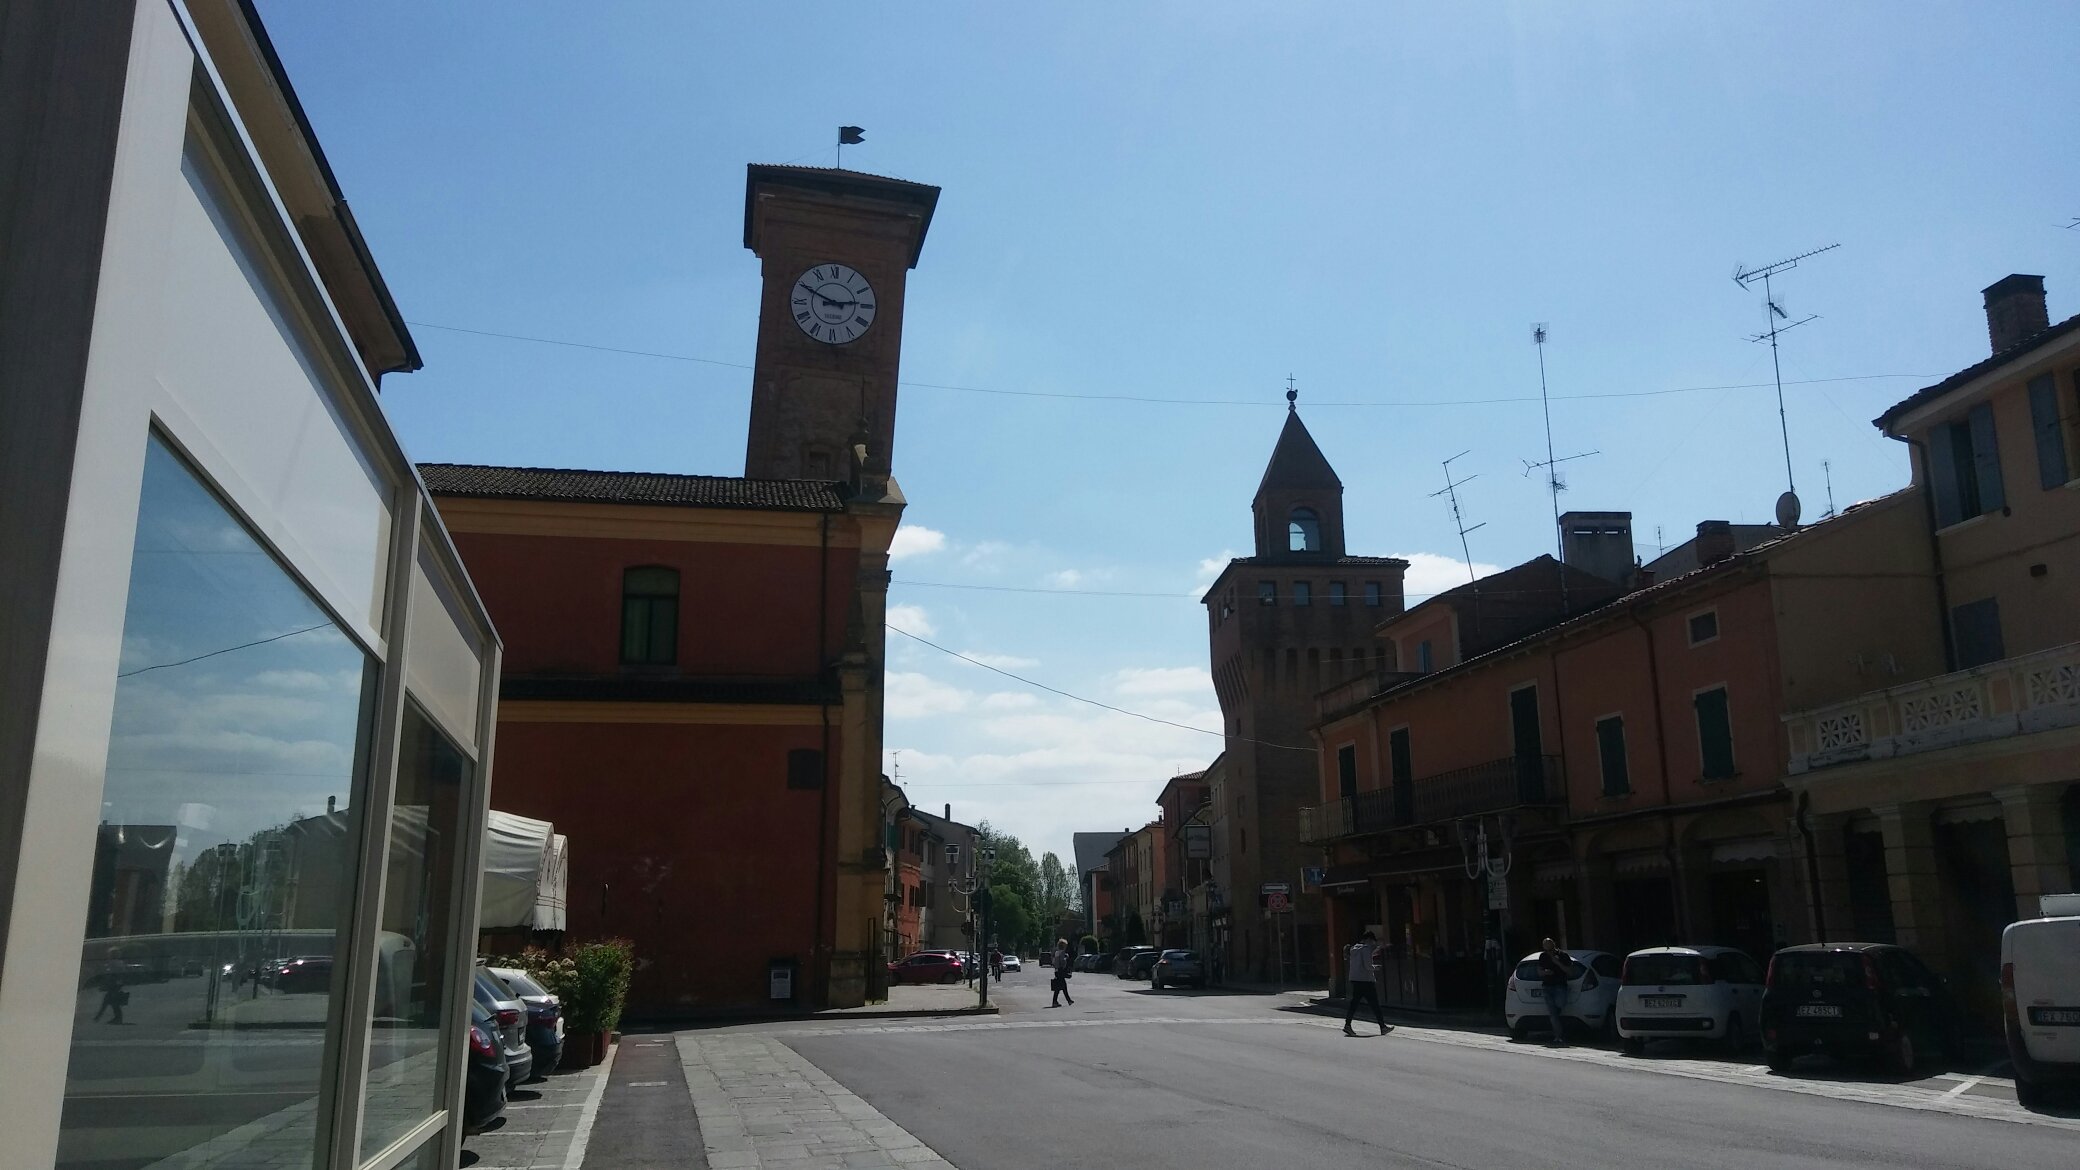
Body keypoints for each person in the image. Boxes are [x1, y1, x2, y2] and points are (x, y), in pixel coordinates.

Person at [1342, 931, 1390, 1036]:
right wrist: (1375, 967)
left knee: (1354, 1004)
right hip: (1366, 980)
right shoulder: (1366, 949)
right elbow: (1367, 965)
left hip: (1355, 979)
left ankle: (1347, 1025)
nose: (1373, 943)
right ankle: (1383, 1027)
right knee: (1375, 1004)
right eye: (1373, 941)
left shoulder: (1354, 949)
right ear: (1369, 939)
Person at [1537, 936, 1574, 1045]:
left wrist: (1557, 962)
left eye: (1550, 949)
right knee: (1552, 1013)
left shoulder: (1563, 956)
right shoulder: (1543, 956)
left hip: (1560, 985)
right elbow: (1539, 971)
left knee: (1560, 1004)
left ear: (1554, 946)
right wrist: (1545, 972)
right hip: (1547, 986)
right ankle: (1557, 1037)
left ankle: (1558, 1022)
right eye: (1546, 950)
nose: (1548, 952)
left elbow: (1570, 971)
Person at [1049, 938, 1075, 1007]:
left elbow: (1054, 962)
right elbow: (1063, 962)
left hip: (1057, 971)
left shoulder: (1056, 953)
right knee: (1062, 986)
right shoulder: (1063, 953)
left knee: (1059, 987)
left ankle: (1057, 1001)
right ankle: (1067, 1000)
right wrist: (1066, 958)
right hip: (1061, 971)